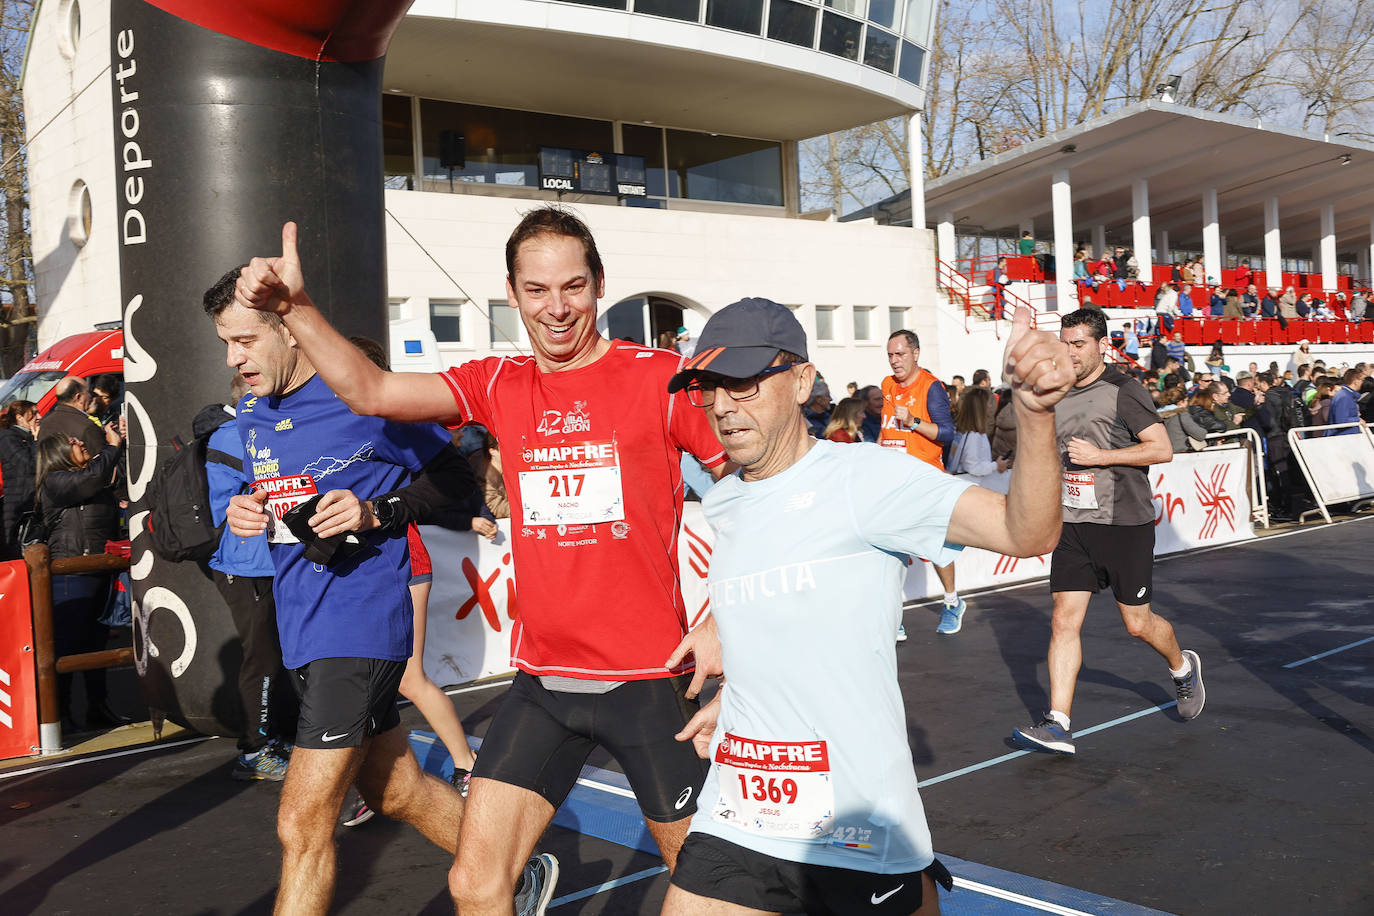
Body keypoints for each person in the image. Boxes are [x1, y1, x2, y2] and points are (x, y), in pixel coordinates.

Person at [233, 209, 730, 913]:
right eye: (536, 290)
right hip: (546, 681)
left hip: (647, 678)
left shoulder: (663, 379)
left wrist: (723, 617)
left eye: (574, 287)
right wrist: (300, 310)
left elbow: (755, 492)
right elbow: (373, 391)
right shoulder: (500, 382)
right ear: (511, 292)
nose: (557, 308)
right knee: (474, 881)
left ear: (599, 286)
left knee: (702, 879)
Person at [660, 297, 1073, 916]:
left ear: (801, 381)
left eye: (743, 383)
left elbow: (1028, 533)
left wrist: (1036, 418)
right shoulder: (726, 501)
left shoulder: (870, 480)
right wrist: (745, 692)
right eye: (710, 386)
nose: (721, 405)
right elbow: (790, 602)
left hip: (852, 826)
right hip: (739, 810)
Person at [205, 270, 480, 914]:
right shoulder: (252, 415)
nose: (232, 358)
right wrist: (247, 511)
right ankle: (509, 871)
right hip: (303, 628)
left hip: (359, 629)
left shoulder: (362, 400)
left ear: (288, 332)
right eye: (225, 343)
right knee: (398, 790)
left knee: (300, 825)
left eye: (245, 341)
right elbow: (283, 500)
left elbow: (457, 483)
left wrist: (375, 511)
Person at [1011, 308, 1206, 756]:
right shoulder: (1056, 391)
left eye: (1078, 344)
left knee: (1136, 624)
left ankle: (1182, 667)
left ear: (1102, 345)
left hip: (1123, 523)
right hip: (1073, 524)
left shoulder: (1125, 390)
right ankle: (1058, 723)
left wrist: (1100, 458)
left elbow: (1162, 449)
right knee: (1063, 619)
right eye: (1065, 343)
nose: (1070, 352)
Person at [339, 337, 480, 826]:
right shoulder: (332, 427)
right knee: (365, 682)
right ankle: (379, 780)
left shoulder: (391, 425)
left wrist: (384, 510)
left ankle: (466, 766)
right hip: (361, 569)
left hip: (406, 558)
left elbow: (454, 483)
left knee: (407, 676)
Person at [204, 377, 298, 782]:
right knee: (261, 658)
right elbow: (280, 473)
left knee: (277, 657)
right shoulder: (233, 435)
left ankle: (275, 737)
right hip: (246, 566)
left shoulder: (254, 430)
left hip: (268, 562)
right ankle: (254, 749)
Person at [34, 418, 130, 731]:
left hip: (100, 570)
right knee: (67, 646)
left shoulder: (89, 475)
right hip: (70, 575)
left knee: (95, 643)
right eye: (73, 442)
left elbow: (112, 478)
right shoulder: (55, 481)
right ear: (59, 452)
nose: (80, 442)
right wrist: (111, 448)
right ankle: (58, 715)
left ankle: (97, 708)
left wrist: (122, 445)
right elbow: (93, 477)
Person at [878, 330, 964, 636]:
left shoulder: (931, 387)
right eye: (890, 355)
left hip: (924, 480)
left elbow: (946, 433)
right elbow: (886, 430)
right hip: (892, 481)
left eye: (900, 354)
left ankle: (952, 602)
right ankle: (893, 617)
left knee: (937, 549)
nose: (894, 361)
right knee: (888, 549)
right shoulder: (887, 385)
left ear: (915, 353)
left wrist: (913, 421)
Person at [948, 386, 1010, 493]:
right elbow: (973, 467)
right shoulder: (974, 435)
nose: (990, 406)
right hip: (971, 487)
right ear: (980, 407)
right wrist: (996, 465)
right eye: (988, 403)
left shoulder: (963, 431)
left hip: (964, 486)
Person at [0, 400, 40, 558]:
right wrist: (37, 442)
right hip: (17, 506)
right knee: (15, 553)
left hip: (29, 504)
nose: (39, 416)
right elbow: (28, 465)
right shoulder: (7, 437)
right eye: (34, 413)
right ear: (19, 417)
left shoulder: (28, 437)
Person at [37, 377, 105, 454]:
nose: (90, 396)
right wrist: (113, 444)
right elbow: (102, 462)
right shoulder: (87, 426)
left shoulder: (45, 424)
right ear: (78, 397)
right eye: (87, 392)